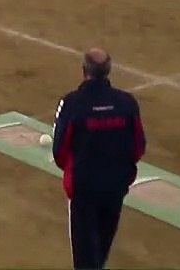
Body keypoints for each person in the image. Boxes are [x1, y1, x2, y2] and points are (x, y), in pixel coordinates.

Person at [52, 48, 145, 270]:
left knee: (85, 256)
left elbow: (60, 152)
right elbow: (138, 147)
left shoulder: (73, 103)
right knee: (102, 247)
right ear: (109, 70)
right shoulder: (127, 103)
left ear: (84, 70)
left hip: (84, 187)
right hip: (115, 186)